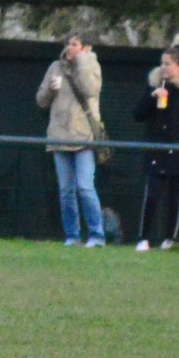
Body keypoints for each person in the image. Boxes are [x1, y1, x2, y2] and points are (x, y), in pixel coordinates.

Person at [131, 44, 179, 251]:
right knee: (152, 195)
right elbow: (137, 115)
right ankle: (144, 238)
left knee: (174, 198)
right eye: (162, 63)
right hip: (156, 151)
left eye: (168, 64)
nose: (163, 67)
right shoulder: (154, 86)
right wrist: (151, 97)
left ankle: (169, 239)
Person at [36, 33, 105, 246]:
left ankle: (96, 235)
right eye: (68, 43)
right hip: (59, 136)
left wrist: (82, 61)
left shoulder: (91, 66)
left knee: (85, 187)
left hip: (84, 136)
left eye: (74, 44)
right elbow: (40, 101)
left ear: (86, 48)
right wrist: (50, 89)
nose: (69, 48)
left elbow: (90, 90)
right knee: (66, 191)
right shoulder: (55, 67)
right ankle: (72, 236)